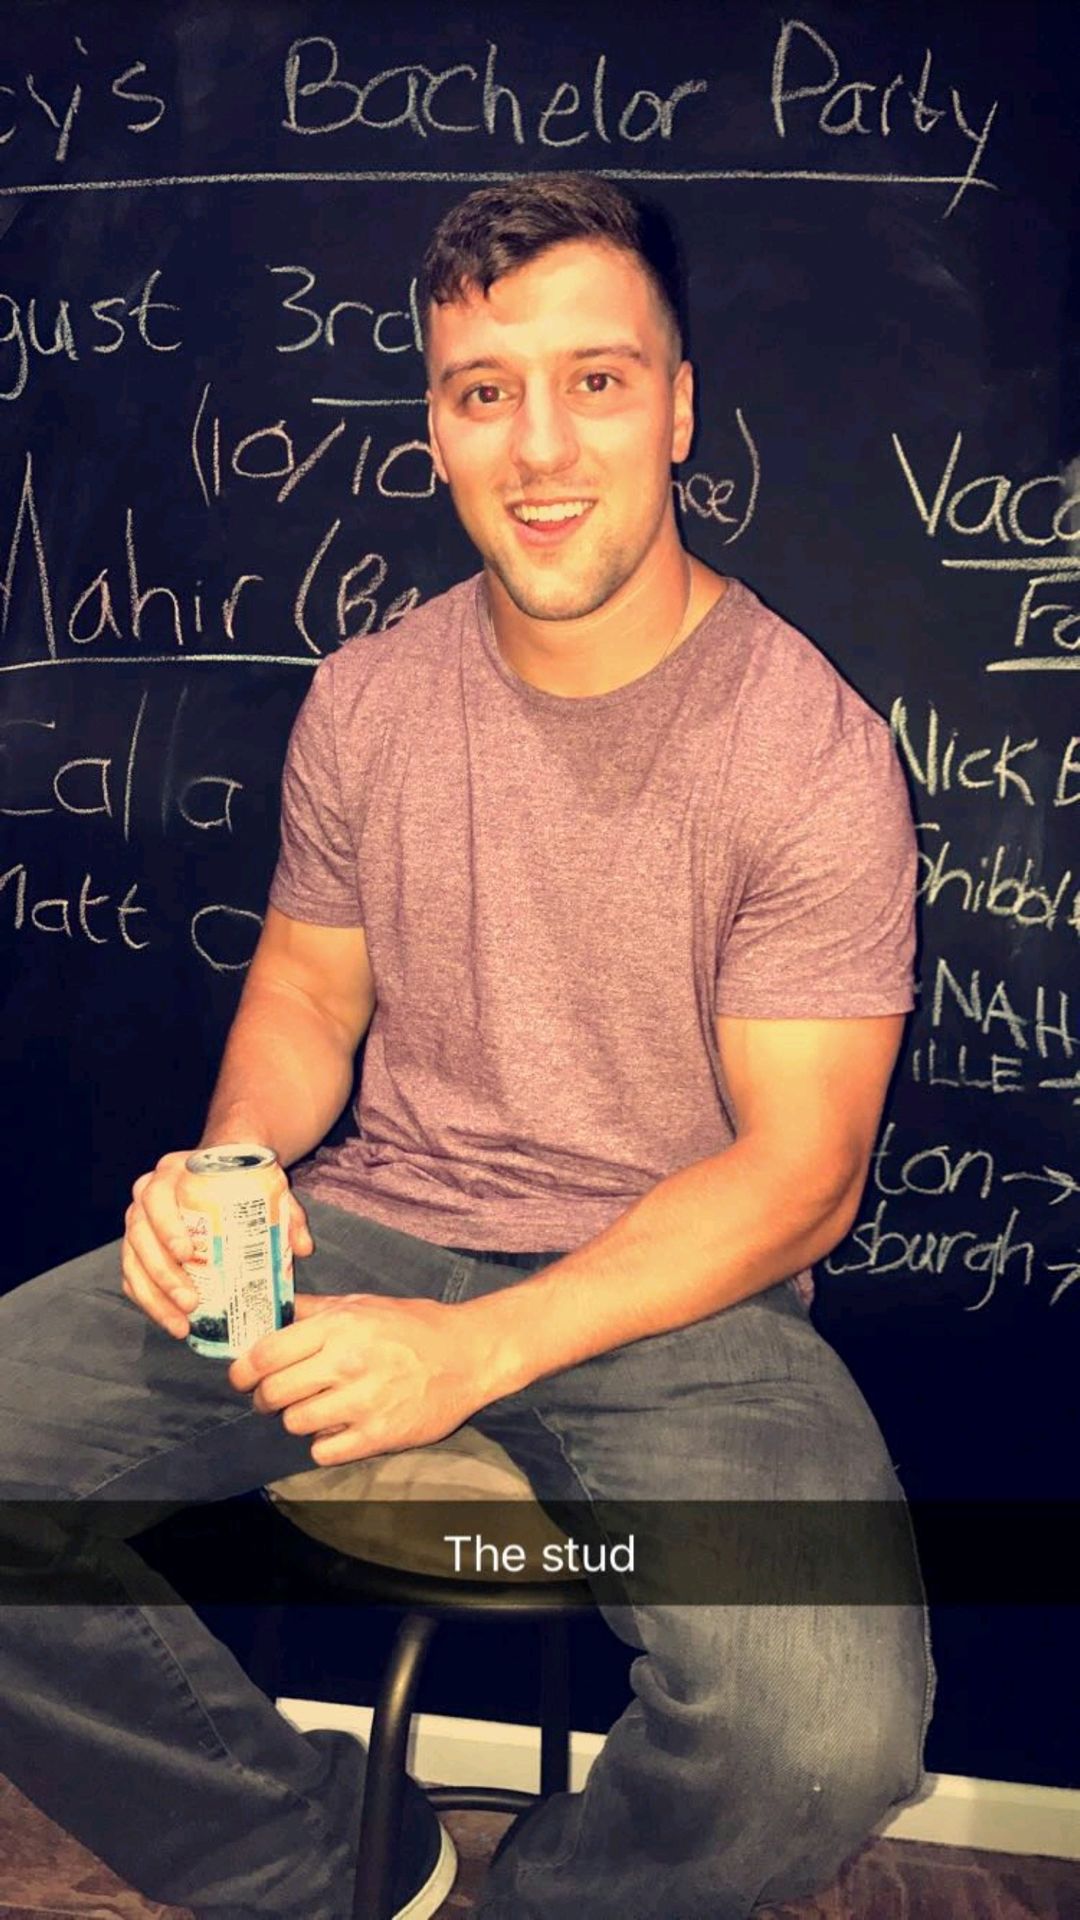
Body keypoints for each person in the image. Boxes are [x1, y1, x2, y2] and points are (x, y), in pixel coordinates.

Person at [0, 172, 934, 1920]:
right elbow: (306, 997)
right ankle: (328, 1866)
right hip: (379, 1224)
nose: (541, 446)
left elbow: (803, 1178)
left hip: (689, 1297)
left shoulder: (811, 752)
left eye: (597, 380)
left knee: (826, 1735)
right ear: (436, 428)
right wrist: (232, 1167)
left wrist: (475, 1349)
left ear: (678, 409)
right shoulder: (368, 696)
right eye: (485, 391)